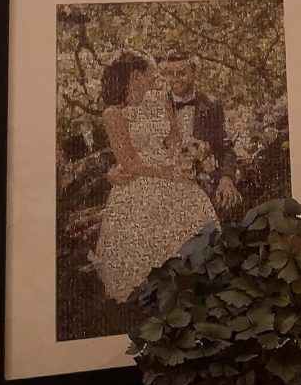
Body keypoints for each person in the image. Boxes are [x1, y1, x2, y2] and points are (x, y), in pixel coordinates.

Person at [90, 52, 218, 302]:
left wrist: (188, 157)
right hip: (138, 179)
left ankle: (193, 283)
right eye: (151, 73)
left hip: (169, 170)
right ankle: (155, 291)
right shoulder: (113, 114)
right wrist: (165, 173)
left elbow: (173, 141)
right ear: (136, 76)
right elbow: (128, 161)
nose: (155, 77)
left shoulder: (161, 100)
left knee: (194, 208)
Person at [161, 50, 240, 215]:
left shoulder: (211, 106)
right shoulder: (157, 104)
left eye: (181, 73)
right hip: (164, 183)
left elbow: (225, 148)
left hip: (201, 183)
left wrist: (226, 178)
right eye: (170, 74)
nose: (175, 79)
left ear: (194, 73)